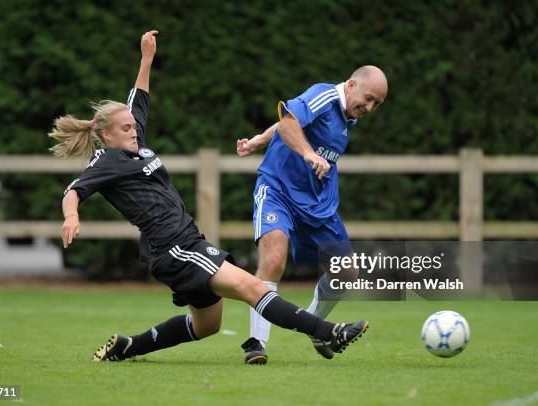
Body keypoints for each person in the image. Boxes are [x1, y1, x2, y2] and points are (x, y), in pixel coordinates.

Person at [51, 30, 367, 363]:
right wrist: (72, 215)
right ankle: (329, 331)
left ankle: (130, 346)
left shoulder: (134, 142)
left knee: (206, 325)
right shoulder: (107, 160)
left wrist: (146, 60)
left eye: (134, 126)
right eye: (126, 128)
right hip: (176, 247)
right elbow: (75, 190)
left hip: (180, 243)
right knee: (254, 288)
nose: (134, 129)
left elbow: (138, 99)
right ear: (105, 135)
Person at [236, 65, 387, 364]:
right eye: (368, 98)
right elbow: (290, 120)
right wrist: (308, 154)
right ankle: (256, 343)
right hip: (278, 189)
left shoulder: (348, 116)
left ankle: (315, 328)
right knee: (274, 258)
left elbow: (288, 124)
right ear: (352, 84)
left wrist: (258, 139)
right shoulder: (323, 95)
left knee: (346, 272)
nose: (369, 107)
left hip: (318, 203)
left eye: (376, 104)